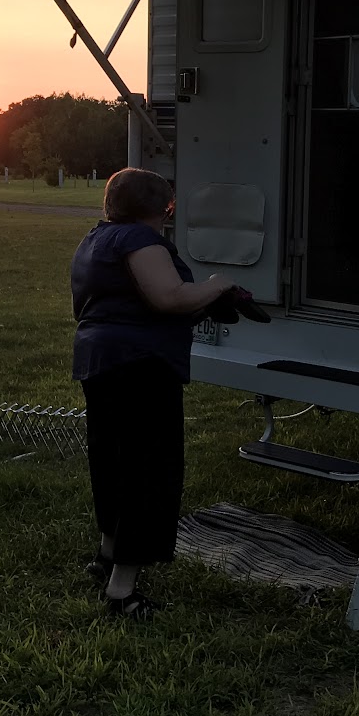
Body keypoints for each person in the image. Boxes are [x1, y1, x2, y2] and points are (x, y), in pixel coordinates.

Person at [71, 168, 235, 619]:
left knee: (112, 463)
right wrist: (217, 285)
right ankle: (122, 594)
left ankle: (106, 558)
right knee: (149, 472)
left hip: (100, 361)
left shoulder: (96, 239)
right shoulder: (139, 241)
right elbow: (169, 297)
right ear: (166, 207)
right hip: (139, 368)